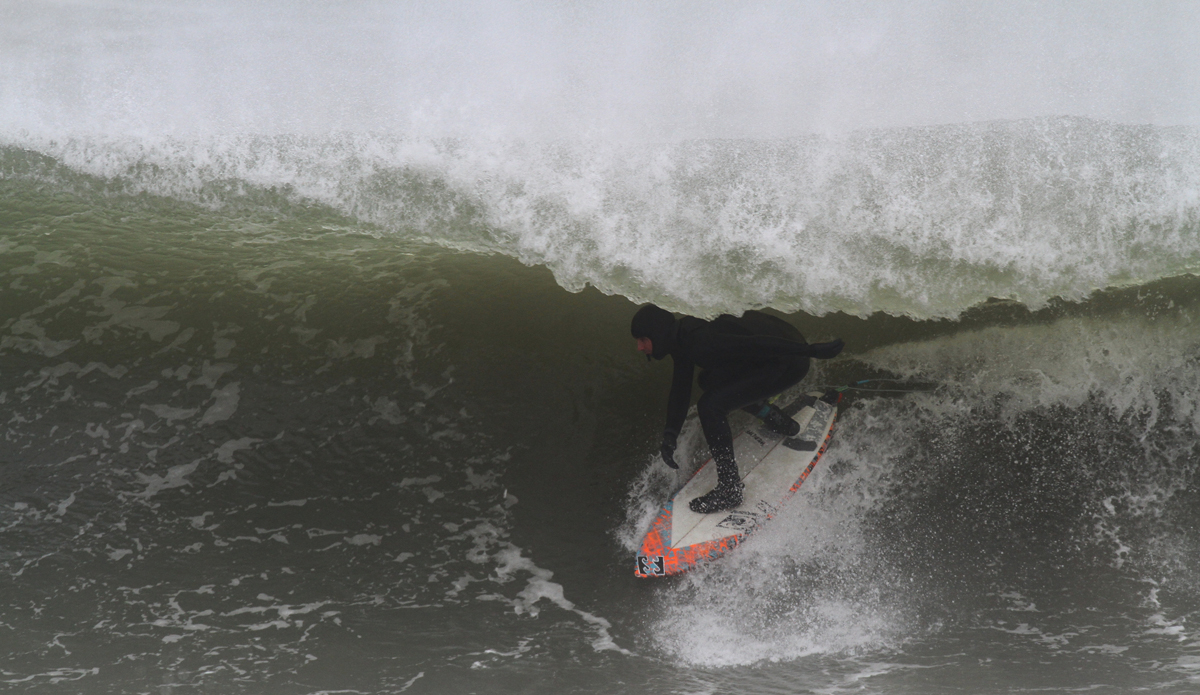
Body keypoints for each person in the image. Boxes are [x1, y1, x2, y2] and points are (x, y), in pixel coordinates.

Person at [631, 304, 844, 514]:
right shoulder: (682, 338)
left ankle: (729, 489)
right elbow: (681, 388)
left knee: (711, 406)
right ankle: (775, 418)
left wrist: (810, 350)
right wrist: (670, 434)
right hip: (772, 353)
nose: (639, 347)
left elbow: (756, 344)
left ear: (657, 335)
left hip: (788, 361)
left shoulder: (700, 340)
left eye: (642, 340)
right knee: (708, 380)